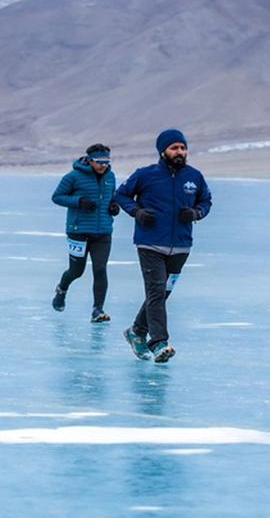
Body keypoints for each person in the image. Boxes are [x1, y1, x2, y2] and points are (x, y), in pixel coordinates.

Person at [115, 129, 212, 364]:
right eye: (174, 148)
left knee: (162, 293)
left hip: (181, 246)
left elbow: (206, 201)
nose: (179, 152)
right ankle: (159, 342)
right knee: (156, 291)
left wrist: (196, 212)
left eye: (182, 147)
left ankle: (136, 331)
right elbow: (121, 195)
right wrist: (137, 212)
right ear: (163, 151)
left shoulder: (194, 177)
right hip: (150, 244)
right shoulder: (146, 175)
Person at [51, 144, 118, 323]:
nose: (104, 165)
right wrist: (79, 201)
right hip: (78, 232)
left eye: (107, 161)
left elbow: (113, 196)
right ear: (89, 160)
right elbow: (57, 197)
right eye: (100, 162)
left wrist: (114, 206)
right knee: (76, 271)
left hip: (103, 232)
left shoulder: (110, 177)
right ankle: (61, 289)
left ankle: (98, 310)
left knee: (100, 269)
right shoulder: (73, 177)